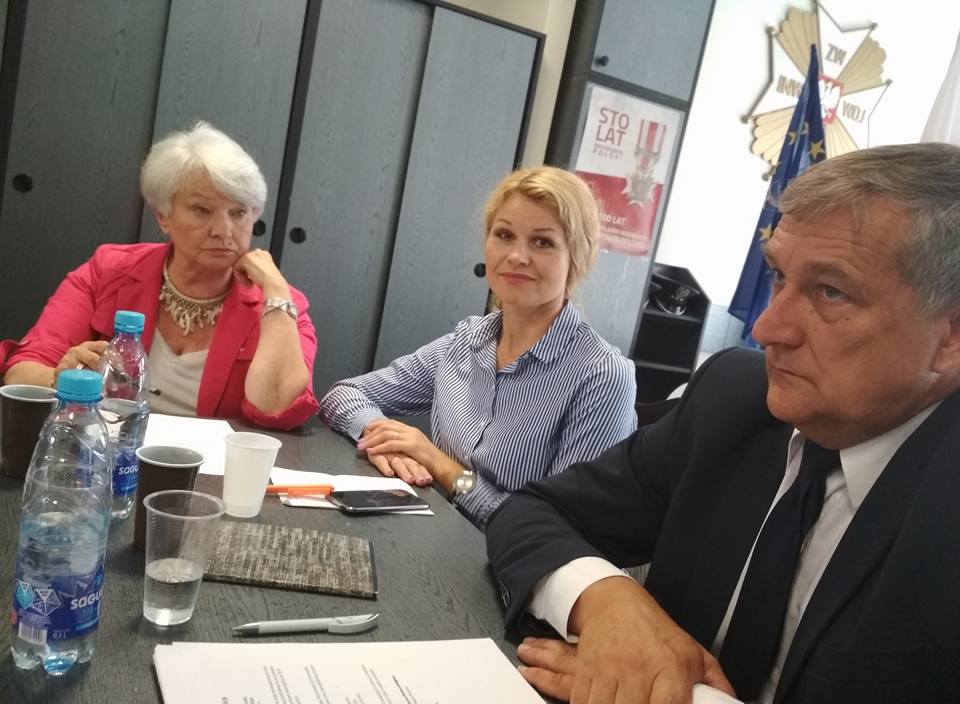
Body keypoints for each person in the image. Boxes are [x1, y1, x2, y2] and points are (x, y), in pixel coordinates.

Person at [486, 143, 960, 704]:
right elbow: (533, 511)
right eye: (779, 276)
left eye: (831, 292)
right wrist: (606, 601)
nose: (767, 327)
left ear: (950, 336)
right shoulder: (734, 400)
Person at [319, 166, 637, 529]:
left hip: (509, 561)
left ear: (577, 257)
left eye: (542, 242)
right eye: (504, 235)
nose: (516, 255)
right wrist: (384, 437)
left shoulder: (602, 376)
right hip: (431, 533)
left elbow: (551, 532)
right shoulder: (466, 341)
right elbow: (343, 395)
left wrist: (442, 466)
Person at [0, 122, 318, 430]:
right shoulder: (108, 271)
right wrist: (59, 379)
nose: (224, 231)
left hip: (210, 464)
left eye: (238, 213)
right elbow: (21, 372)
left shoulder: (281, 304)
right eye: (202, 210)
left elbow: (276, 408)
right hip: (104, 451)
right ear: (163, 215)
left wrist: (277, 293)